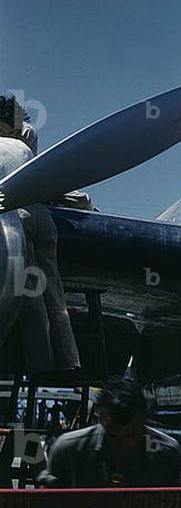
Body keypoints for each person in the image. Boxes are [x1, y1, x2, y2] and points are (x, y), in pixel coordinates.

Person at [0, 94, 81, 379]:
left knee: (32, 300)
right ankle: (70, 360)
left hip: (15, 219)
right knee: (55, 295)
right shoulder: (22, 147)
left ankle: (42, 365)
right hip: (43, 217)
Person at [38, 376, 181, 488]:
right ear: (100, 419)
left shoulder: (166, 454)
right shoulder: (68, 450)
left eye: (132, 435)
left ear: (144, 420)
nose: (124, 446)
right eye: (113, 437)